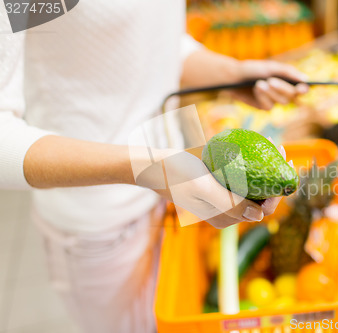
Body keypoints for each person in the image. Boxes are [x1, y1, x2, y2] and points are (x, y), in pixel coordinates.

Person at [0, 2, 308, 333]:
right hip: (102, 224)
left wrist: (230, 74)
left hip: (168, 195)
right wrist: (147, 167)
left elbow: (153, 41)